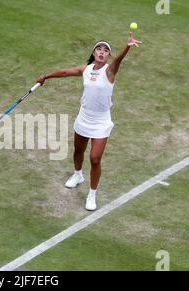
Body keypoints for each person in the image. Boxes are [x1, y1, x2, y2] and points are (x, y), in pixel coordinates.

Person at [36, 32, 142, 210]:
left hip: (101, 122)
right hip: (84, 117)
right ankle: (78, 175)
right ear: (94, 53)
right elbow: (65, 72)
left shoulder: (109, 70)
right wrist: (46, 76)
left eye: (105, 50)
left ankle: (92, 194)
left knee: (94, 159)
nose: (102, 52)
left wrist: (127, 47)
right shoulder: (85, 69)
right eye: (99, 49)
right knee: (78, 150)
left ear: (108, 55)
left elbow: (119, 60)